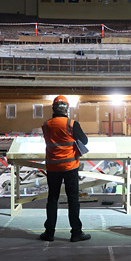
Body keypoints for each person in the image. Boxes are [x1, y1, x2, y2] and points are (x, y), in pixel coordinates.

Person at [39, 95, 91, 243]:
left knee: (52, 199)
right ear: (67, 108)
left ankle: (49, 233)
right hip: (70, 167)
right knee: (73, 199)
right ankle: (76, 232)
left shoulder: (46, 125)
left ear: (53, 108)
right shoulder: (71, 124)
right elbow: (85, 140)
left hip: (52, 167)